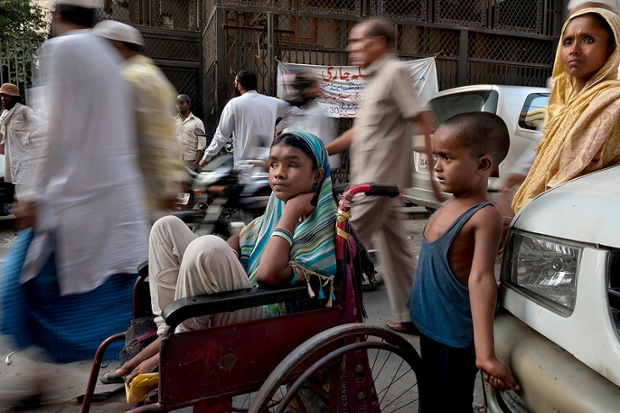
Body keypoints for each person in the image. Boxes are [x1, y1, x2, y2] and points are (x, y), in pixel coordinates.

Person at [103, 131, 337, 385]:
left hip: (268, 322)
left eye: (292, 164)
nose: (278, 173)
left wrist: (291, 213)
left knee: (207, 247)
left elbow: (267, 274)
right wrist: (232, 255)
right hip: (246, 302)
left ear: (317, 175)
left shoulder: (321, 225)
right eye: (273, 164)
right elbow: (240, 238)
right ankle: (166, 337)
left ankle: (170, 350)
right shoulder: (275, 209)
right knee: (166, 227)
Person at [0, 0, 150, 366]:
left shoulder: (62, 48)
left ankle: (125, 364)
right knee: (117, 295)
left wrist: (33, 194)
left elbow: (54, 129)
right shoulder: (111, 58)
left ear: (58, 16)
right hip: (116, 195)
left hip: (76, 196)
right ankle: (136, 359)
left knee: (19, 289)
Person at [325, 18, 440, 333]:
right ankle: (417, 315)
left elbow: (423, 119)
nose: (351, 48)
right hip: (374, 182)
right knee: (396, 253)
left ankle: (321, 317)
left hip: (378, 185)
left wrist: (431, 178)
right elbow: (361, 131)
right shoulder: (375, 80)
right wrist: (320, 151)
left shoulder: (393, 72)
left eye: (358, 41)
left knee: (341, 244)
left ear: (379, 42)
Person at [408, 112, 520, 412]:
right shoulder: (454, 202)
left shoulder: (483, 215)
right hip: (431, 327)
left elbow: (481, 279)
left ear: (483, 165)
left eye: (447, 157)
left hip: (455, 339)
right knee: (432, 401)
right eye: (435, 156)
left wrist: (485, 354)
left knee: (451, 405)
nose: (436, 166)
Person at [499, 1, 620, 213]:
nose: (574, 50)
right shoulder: (563, 99)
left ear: (611, 48)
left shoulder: (613, 102)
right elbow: (546, 140)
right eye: (567, 42)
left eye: (588, 40)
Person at [93, 20, 186, 219]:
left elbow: (152, 139)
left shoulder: (129, 79)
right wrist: (173, 180)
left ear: (118, 47)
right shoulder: (153, 75)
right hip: (150, 191)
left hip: (137, 193)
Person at [198, 69, 299, 175]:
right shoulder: (272, 102)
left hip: (244, 170)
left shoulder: (234, 104)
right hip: (267, 169)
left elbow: (221, 136)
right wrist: (278, 128)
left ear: (239, 85)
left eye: (235, 83)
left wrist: (205, 158)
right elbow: (296, 111)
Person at [282, 71, 341, 171]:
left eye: (297, 88)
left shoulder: (317, 113)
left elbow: (313, 143)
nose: (293, 92)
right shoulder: (298, 111)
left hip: (316, 167)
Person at [0, 83, 43, 200]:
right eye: (2, 95)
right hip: (14, 164)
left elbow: (44, 127)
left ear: (14, 97)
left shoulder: (24, 111)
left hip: (27, 163)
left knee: (25, 200)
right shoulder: (4, 116)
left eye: (6, 96)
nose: (3, 99)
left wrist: (29, 137)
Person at [174, 93, 205, 167]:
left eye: (182, 103)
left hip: (191, 160)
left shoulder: (197, 122)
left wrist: (197, 162)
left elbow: (201, 144)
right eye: (177, 103)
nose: (179, 105)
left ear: (189, 105)